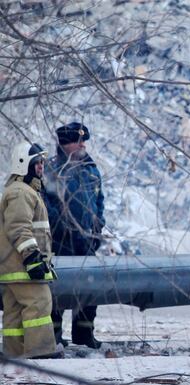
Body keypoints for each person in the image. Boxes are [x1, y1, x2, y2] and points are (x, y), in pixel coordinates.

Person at [44, 122, 105, 349]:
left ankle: (84, 334)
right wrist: (59, 228)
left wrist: (98, 226)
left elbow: (99, 201)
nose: (82, 144)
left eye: (84, 140)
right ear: (64, 144)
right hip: (60, 241)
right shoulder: (51, 169)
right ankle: (54, 335)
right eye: (77, 141)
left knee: (89, 289)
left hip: (87, 241)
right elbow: (46, 205)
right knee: (57, 291)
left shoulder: (91, 169)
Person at [0, 143, 58, 358]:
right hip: (24, 267)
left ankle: (15, 356)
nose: (42, 166)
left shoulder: (19, 191)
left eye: (42, 162)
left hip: (11, 268)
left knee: (14, 315)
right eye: (38, 163)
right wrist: (33, 257)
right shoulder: (22, 192)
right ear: (25, 164)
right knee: (39, 305)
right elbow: (18, 227)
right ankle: (40, 353)